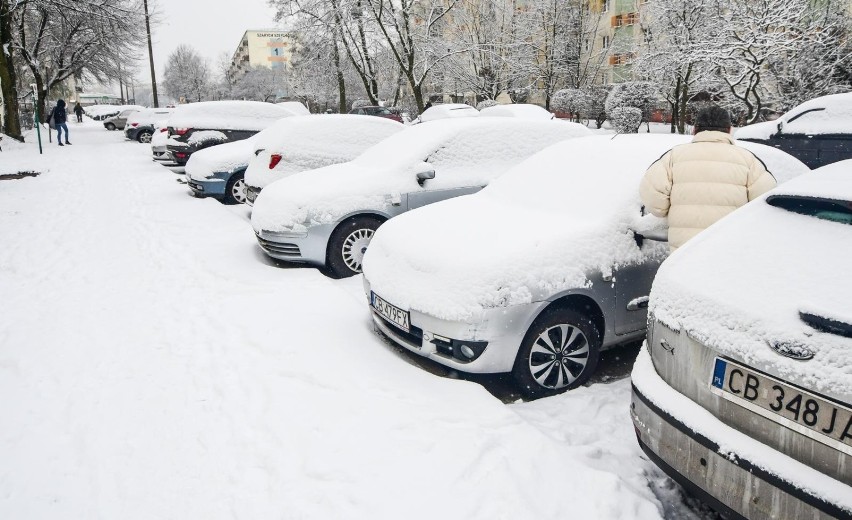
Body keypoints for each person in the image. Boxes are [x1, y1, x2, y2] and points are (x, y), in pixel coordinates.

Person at [640, 105, 775, 250]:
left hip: (683, 254)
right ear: (729, 130)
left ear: (695, 129)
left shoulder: (673, 157)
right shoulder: (748, 160)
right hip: (729, 249)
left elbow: (655, 204)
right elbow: (765, 205)